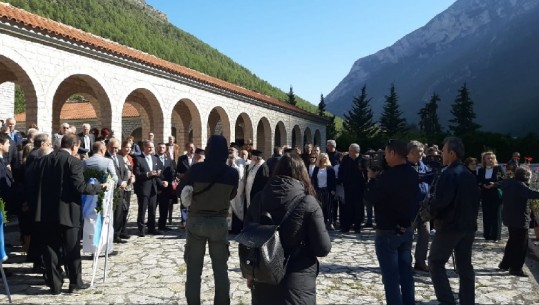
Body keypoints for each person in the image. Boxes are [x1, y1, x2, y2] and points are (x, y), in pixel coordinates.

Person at [245, 153, 331, 305]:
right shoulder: (308, 202)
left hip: (265, 276)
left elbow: (247, 238)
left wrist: (250, 272)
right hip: (298, 280)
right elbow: (322, 248)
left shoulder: (259, 198)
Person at [33, 134, 107, 294]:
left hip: (46, 212)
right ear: (74, 146)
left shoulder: (43, 160)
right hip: (68, 212)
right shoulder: (73, 162)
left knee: (50, 249)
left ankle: (55, 285)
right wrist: (100, 187)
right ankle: (75, 282)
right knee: (71, 249)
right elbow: (80, 187)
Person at [181, 135, 239, 305]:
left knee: (193, 270)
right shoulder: (232, 173)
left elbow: (182, 192)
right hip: (219, 222)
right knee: (221, 270)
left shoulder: (196, 169)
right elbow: (233, 194)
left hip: (196, 221)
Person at [365, 139, 418, 305]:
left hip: (388, 231)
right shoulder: (412, 173)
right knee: (406, 275)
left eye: (386, 153)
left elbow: (371, 198)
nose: (385, 157)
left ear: (394, 153)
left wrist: (372, 179)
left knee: (391, 279)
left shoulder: (387, 177)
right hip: (406, 229)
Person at [428, 137, 480, 305]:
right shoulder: (469, 174)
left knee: (435, 261)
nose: (441, 154)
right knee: (465, 266)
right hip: (468, 226)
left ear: (451, 153)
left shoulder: (448, 174)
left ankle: (447, 300)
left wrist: (431, 209)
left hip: (450, 226)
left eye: (443, 151)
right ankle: (467, 301)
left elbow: (442, 201)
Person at [497, 166, 539, 277]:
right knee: (521, 245)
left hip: (509, 218)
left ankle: (505, 264)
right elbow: (533, 194)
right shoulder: (520, 186)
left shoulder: (508, 183)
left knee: (512, 242)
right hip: (520, 219)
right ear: (526, 177)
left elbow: (498, 184)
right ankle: (516, 268)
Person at [407, 140, 432, 273]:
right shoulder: (404, 168)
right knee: (408, 236)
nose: (421, 155)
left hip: (424, 208)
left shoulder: (424, 166)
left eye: (422, 152)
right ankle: (406, 262)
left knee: (425, 235)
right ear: (410, 153)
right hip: (410, 208)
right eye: (418, 152)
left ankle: (420, 262)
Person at [134, 140, 166, 237]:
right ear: (144, 147)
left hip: (153, 187)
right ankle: (141, 229)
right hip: (143, 187)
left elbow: (157, 173)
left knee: (152, 209)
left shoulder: (155, 159)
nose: (151, 149)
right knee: (142, 209)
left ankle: (152, 228)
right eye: (149, 147)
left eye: (152, 147)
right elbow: (137, 174)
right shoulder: (138, 158)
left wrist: (160, 179)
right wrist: (148, 174)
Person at [339, 143, 367, 233]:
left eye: (350, 150)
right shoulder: (346, 159)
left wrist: (365, 183)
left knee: (358, 207)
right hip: (348, 187)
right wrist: (342, 180)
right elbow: (341, 171)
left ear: (356, 151)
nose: (349, 152)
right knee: (348, 207)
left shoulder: (363, 159)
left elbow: (366, 173)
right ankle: (346, 226)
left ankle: (357, 226)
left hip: (359, 187)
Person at [477, 151, 505, 241]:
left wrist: (495, 184)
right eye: (488, 158)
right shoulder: (481, 170)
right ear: (484, 160)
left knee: (496, 215)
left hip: (496, 194)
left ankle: (496, 236)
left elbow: (504, 181)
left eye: (492, 158)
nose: (490, 160)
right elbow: (478, 181)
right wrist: (483, 185)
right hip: (486, 194)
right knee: (486, 215)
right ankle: (487, 235)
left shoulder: (499, 168)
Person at [106, 138, 130, 244]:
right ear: (108, 147)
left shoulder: (120, 157)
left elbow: (125, 171)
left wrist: (125, 181)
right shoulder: (106, 158)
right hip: (112, 189)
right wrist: (120, 183)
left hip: (121, 190)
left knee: (119, 213)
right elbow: (110, 174)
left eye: (116, 148)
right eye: (113, 147)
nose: (115, 150)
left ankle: (117, 234)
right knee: (111, 214)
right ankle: (109, 235)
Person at [311, 153, 336, 230]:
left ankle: (331, 222)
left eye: (325, 158)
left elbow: (333, 180)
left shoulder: (330, 169)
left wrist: (333, 190)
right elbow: (313, 179)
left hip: (327, 190)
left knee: (329, 207)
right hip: (319, 190)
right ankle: (322, 222)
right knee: (321, 206)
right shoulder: (316, 168)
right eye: (322, 157)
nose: (324, 159)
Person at [155, 142, 175, 231]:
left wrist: (168, 182)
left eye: (163, 147)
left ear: (165, 149)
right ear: (157, 148)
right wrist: (160, 182)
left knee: (164, 208)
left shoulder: (168, 160)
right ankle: (151, 225)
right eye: (160, 147)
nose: (161, 149)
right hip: (155, 186)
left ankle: (162, 225)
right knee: (153, 207)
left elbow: (172, 173)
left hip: (166, 188)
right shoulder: (153, 159)